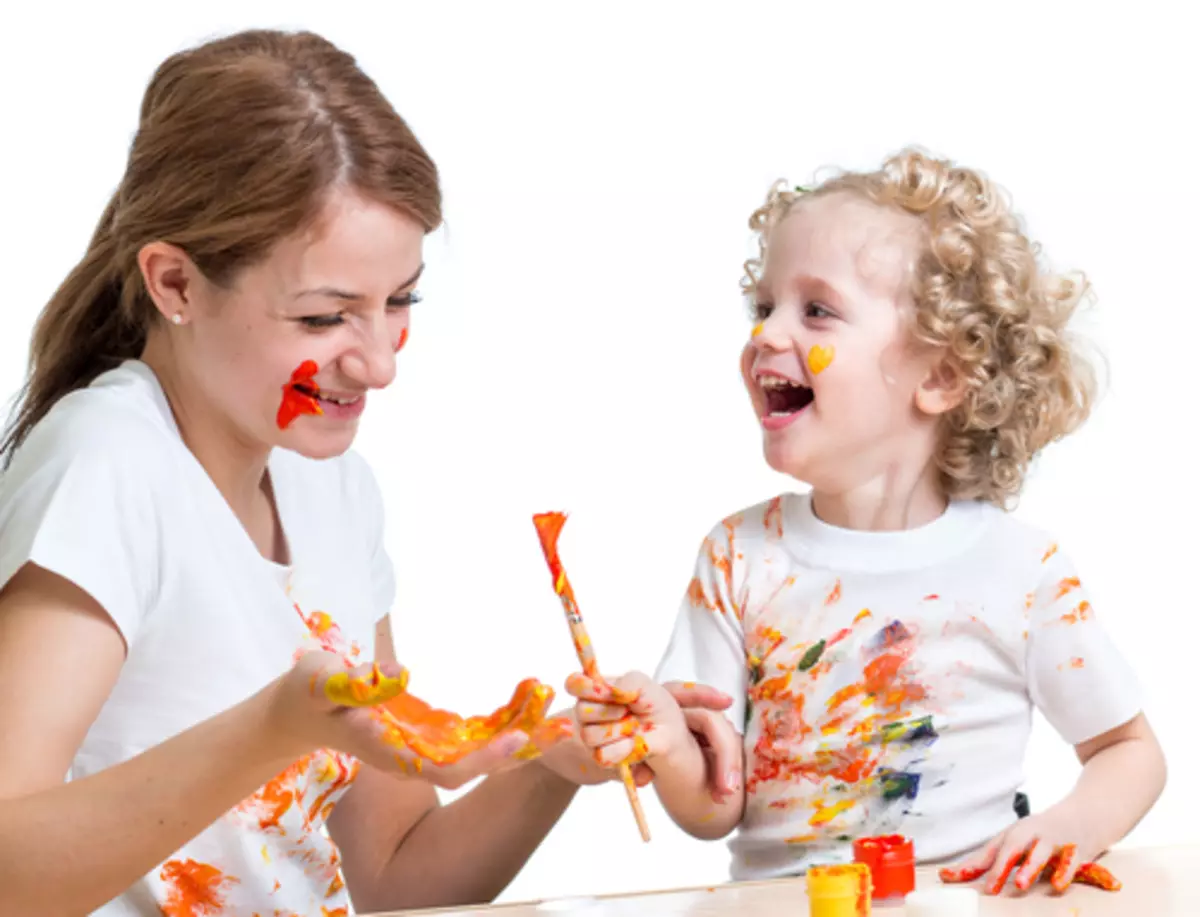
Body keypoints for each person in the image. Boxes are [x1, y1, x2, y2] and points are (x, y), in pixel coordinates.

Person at [0, 29, 735, 917]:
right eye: (323, 318)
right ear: (177, 285)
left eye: (401, 301)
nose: (380, 362)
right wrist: (268, 728)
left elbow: (392, 874)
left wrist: (553, 762)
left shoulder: (331, 489)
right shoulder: (106, 467)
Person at [568, 149, 1167, 896]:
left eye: (816, 309)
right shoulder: (739, 557)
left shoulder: (1021, 570)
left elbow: (1130, 750)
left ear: (941, 376)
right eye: (764, 307)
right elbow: (712, 805)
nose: (766, 335)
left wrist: (1073, 823)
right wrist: (661, 736)